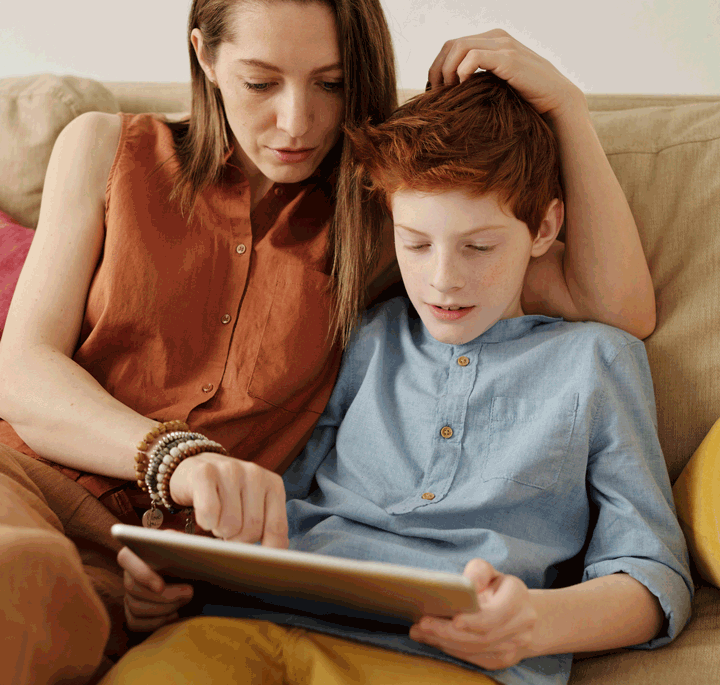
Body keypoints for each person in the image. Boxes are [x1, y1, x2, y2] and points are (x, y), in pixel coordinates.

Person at [0, 0, 656, 682]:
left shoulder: (385, 216)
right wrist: (179, 458)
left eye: (331, 83)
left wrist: (567, 108)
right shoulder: (105, 146)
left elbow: (611, 309)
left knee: (52, 620)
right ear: (205, 55)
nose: (297, 122)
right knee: (19, 570)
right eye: (259, 82)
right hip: (26, 483)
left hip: (163, 568)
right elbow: (19, 373)